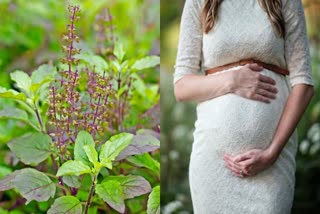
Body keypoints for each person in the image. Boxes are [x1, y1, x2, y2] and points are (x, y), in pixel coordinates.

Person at [173, 0, 314, 213]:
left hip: (272, 166)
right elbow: (182, 87)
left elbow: (304, 83)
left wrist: (272, 152)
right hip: (213, 165)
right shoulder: (199, 2)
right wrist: (232, 80)